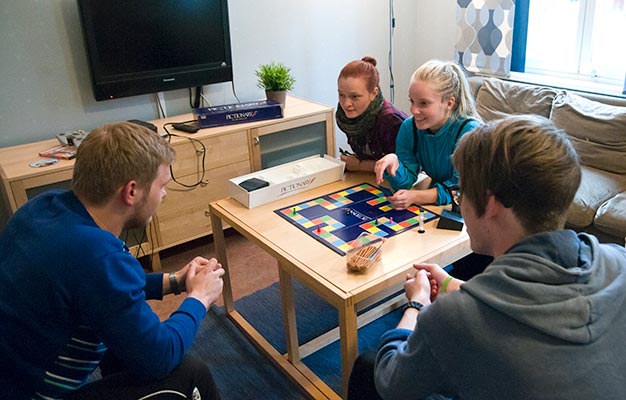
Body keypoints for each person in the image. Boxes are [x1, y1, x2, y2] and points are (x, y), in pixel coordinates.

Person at [348, 115, 626, 400]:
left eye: (462, 193)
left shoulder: (450, 318)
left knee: (370, 366)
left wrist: (417, 305)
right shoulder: (618, 260)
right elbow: (529, 297)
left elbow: (392, 383)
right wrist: (451, 286)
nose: (461, 203)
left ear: (491, 204)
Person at [0, 122, 225, 399]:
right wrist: (199, 298)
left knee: (123, 345)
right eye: (162, 185)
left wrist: (175, 281)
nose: (164, 194)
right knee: (190, 372)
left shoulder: (44, 205)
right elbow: (161, 355)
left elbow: (104, 288)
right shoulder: (97, 255)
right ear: (131, 192)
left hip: (13, 372)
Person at [374, 59, 481, 210]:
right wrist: (394, 165)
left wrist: (415, 196)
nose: (413, 110)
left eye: (423, 103)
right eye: (412, 101)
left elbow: (461, 191)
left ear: (449, 103)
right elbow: (406, 182)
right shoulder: (409, 128)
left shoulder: (469, 133)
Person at [336, 56, 408, 172]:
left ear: (374, 93)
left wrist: (361, 165)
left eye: (355, 97)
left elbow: (407, 167)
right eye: (341, 95)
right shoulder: (346, 116)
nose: (346, 103)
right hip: (370, 178)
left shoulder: (390, 121)